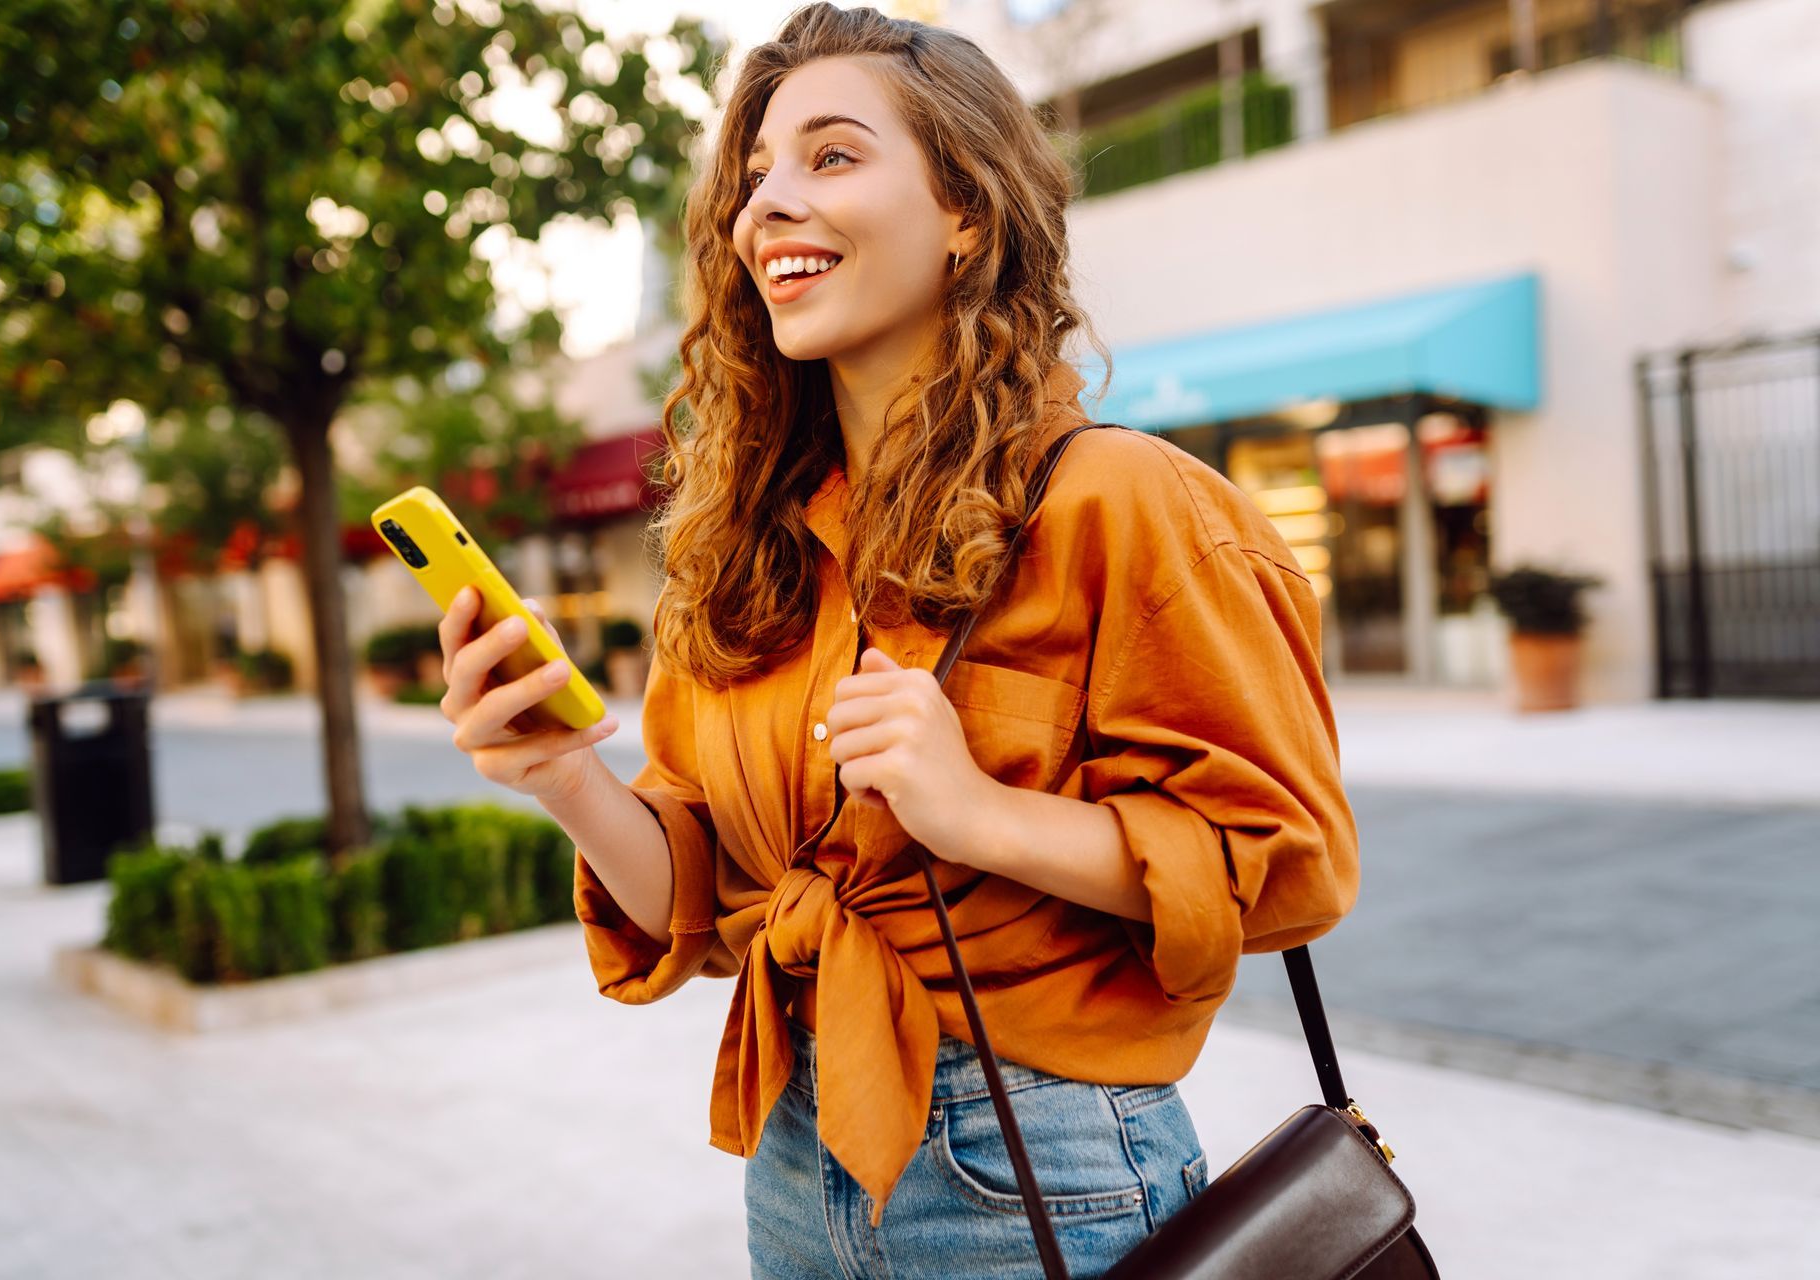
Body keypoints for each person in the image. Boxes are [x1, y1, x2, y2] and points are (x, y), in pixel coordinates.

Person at [436, 4, 1359, 1275]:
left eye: (832, 155)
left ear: (966, 209)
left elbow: (1289, 866)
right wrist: (564, 776)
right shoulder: (738, 547)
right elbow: (705, 905)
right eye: (754, 172)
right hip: (793, 1156)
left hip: (1044, 1166)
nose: (767, 204)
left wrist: (977, 812)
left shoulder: (1120, 500)